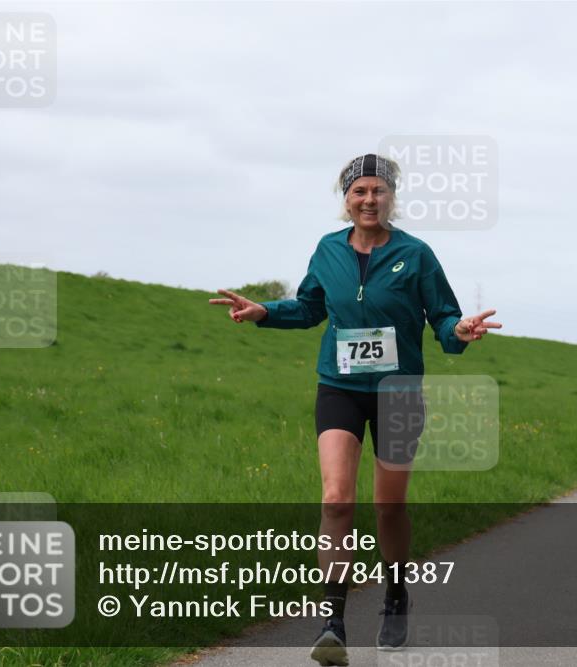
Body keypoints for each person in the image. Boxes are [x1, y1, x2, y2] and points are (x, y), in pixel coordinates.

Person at [210, 154, 501, 666]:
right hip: (339, 387)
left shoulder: (416, 254)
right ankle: (333, 622)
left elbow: (444, 315)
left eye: (378, 191)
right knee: (336, 499)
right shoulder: (328, 249)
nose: (369, 199)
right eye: (359, 191)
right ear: (346, 198)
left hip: (398, 392)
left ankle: (394, 594)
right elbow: (309, 307)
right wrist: (263, 312)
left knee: (389, 506)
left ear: (392, 197)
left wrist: (458, 332)